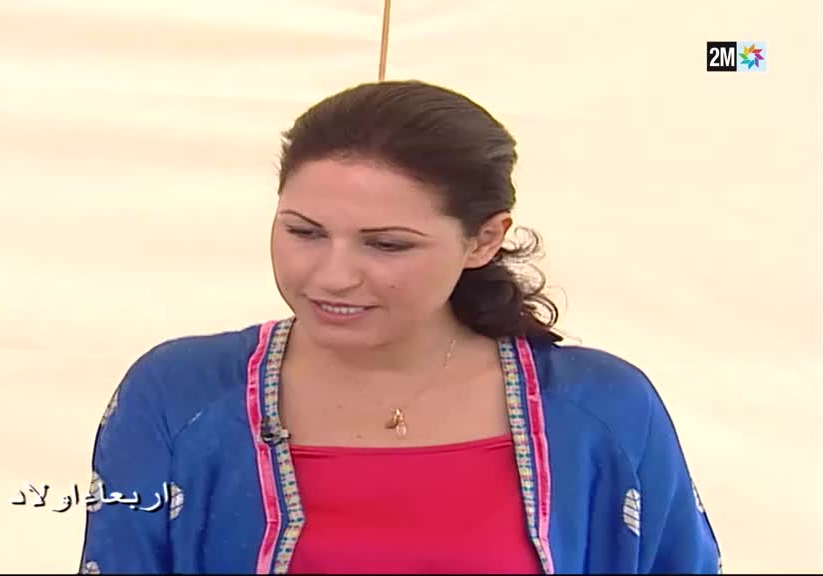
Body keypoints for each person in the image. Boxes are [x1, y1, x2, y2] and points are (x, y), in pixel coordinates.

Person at [77, 80, 722, 574]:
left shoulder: (602, 409)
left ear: (483, 240)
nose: (332, 276)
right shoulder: (178, 395)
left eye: (386, 245)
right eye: (304, 232)